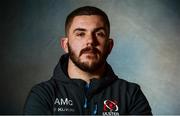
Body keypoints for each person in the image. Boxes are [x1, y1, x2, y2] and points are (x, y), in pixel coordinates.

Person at [23, 6, 152, 115]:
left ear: (109, 46)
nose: (90, 41)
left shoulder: (130, 94)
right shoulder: (43, 95)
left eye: (99, 34)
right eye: (80, 34)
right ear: (65, 45)